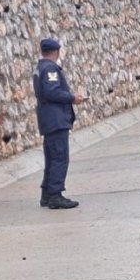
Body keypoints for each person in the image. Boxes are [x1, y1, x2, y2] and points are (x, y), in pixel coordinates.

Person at [33, 38, 85, 209]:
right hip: (56, 120)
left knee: (51, 158)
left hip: (48, 119)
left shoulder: (40, 68)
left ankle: (47, 194)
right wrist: (72, 98)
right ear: (56, 52)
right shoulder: (50, 69)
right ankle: (55, 195)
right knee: (60, 157)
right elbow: (52, 91)